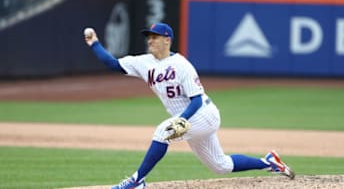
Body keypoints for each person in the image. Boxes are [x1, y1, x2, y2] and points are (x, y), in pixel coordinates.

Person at [84, 22, 295, 189]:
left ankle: (137, 180)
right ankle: (269, 162)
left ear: (167, 40)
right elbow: (113, 64)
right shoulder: (144, 62)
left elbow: (196, 100)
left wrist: (181, 120)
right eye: (149, 37)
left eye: (154, 37)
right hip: (188, 120)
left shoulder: (181, 65)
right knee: (220, 165)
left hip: (204, 114)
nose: (150, 40)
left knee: (161, 132)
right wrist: (94, 43)